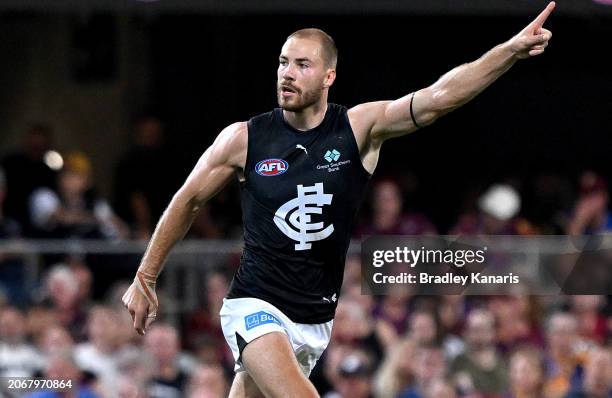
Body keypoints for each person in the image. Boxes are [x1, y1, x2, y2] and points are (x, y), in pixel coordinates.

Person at [122, 3, 555, 396]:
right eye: (282, 63)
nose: (286, 73)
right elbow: (187, 200)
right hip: (255, 305)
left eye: (302, 65)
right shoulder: (244, 138)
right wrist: (146, 276)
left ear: (329, 76)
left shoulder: (358, 127)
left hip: (315, 320)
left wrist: (509, 52)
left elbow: (438, 98)